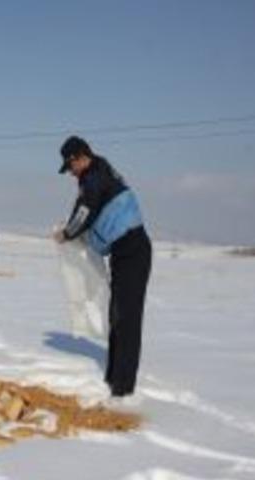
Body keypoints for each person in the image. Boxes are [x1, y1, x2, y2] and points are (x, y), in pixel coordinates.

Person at [53, 136, 152, 398]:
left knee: (128, 318)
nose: (70, 173)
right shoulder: (92, 176)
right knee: (116, 314)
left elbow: (85, 211)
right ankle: (113, 377)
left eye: (70, 166)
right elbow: (81, 206)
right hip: (122, 251)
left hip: (133, 249)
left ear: (79, 157)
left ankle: (123, 388)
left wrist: (67, 234)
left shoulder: (95, 175)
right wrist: (69, 227)